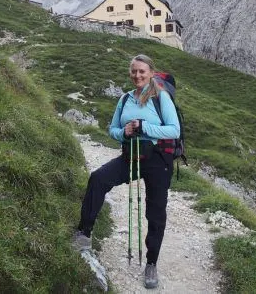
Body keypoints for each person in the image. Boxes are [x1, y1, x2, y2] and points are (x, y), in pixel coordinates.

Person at [73, 54, 181, 289]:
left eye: (142, 71)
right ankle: (84, 232)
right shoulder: (124, 99)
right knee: (99, 178)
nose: (137, 75)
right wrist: (125, 133)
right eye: (134, 71)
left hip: (158, 160)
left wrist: (144, 127)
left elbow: (173, 130)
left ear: (151, 72)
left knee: (155, 212)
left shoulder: (160, 97)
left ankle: (151, 264)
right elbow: (112, 129)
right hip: (131, 155)